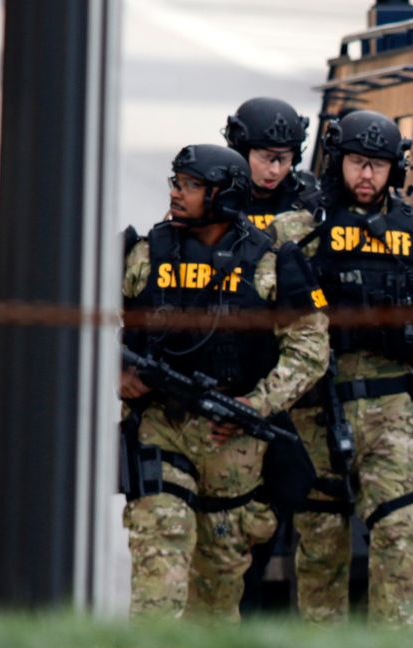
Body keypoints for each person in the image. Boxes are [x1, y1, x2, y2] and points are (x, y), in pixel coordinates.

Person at [119, 143, 327, 619]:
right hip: (162, 427)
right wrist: (120, 373)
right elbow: (91, 325)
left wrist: (257, 405)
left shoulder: (273, 263)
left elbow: (311, 350)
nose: (176, 193)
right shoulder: (148, 254)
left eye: (190, 186)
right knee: (160, 560)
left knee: (217, 593)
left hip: (234, 443)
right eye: (176, 182)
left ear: (225, 197)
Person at [269, 110, 413, 626]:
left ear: (395, 169)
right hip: (318, 406)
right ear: (337, 162)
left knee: (399, 534)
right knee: (322, 542)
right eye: (356, 163)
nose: (366, 176)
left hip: (391, 405)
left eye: (377, 165)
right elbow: (264, 308)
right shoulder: (297, 228)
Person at [223, 96, 319, 613]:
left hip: (301, 382)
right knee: (236, 528)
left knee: (302, 516)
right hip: (235, 373)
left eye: (284, 157)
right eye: (264, 155)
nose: (274, 168)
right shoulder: (217, 194)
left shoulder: (313, 205)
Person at [223, 97, 316, 231]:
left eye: (283, 159)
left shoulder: (306, 200)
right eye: (265, 158)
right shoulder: (215, 198)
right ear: (241, 154)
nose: (275, 170)